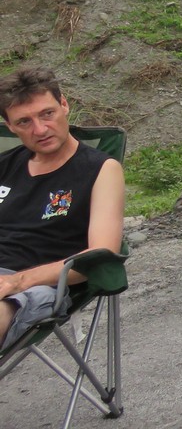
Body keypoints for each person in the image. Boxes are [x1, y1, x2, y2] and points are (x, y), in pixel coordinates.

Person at [0, 67, 125, 352]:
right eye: (24, 121)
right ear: (10, 126)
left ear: (64, 105)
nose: (40, 129)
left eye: (47, 114)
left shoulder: (100, 169)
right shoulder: (5, 166)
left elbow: (99, 256)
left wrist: (17, 281)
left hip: (32, 288)